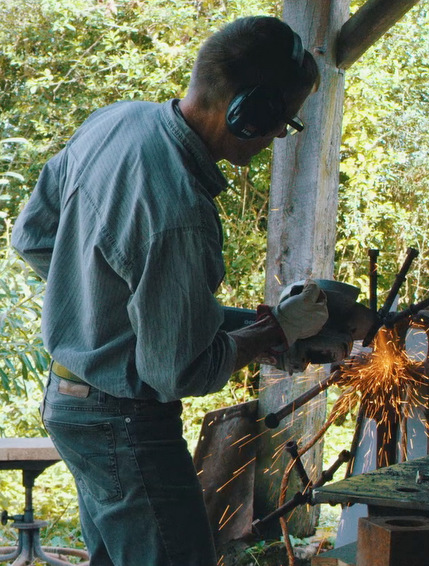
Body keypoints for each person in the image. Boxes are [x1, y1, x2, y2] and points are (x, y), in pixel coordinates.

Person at [11, 16, 328, 566]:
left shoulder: (116, 122)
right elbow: (178, 369)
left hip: (71, 403)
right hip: (124, 424)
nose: (280, 133)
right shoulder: (179, 210)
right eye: (283, 119)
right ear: (248, 111)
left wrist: (243, 323)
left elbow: (35, 239)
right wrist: (276, 331)